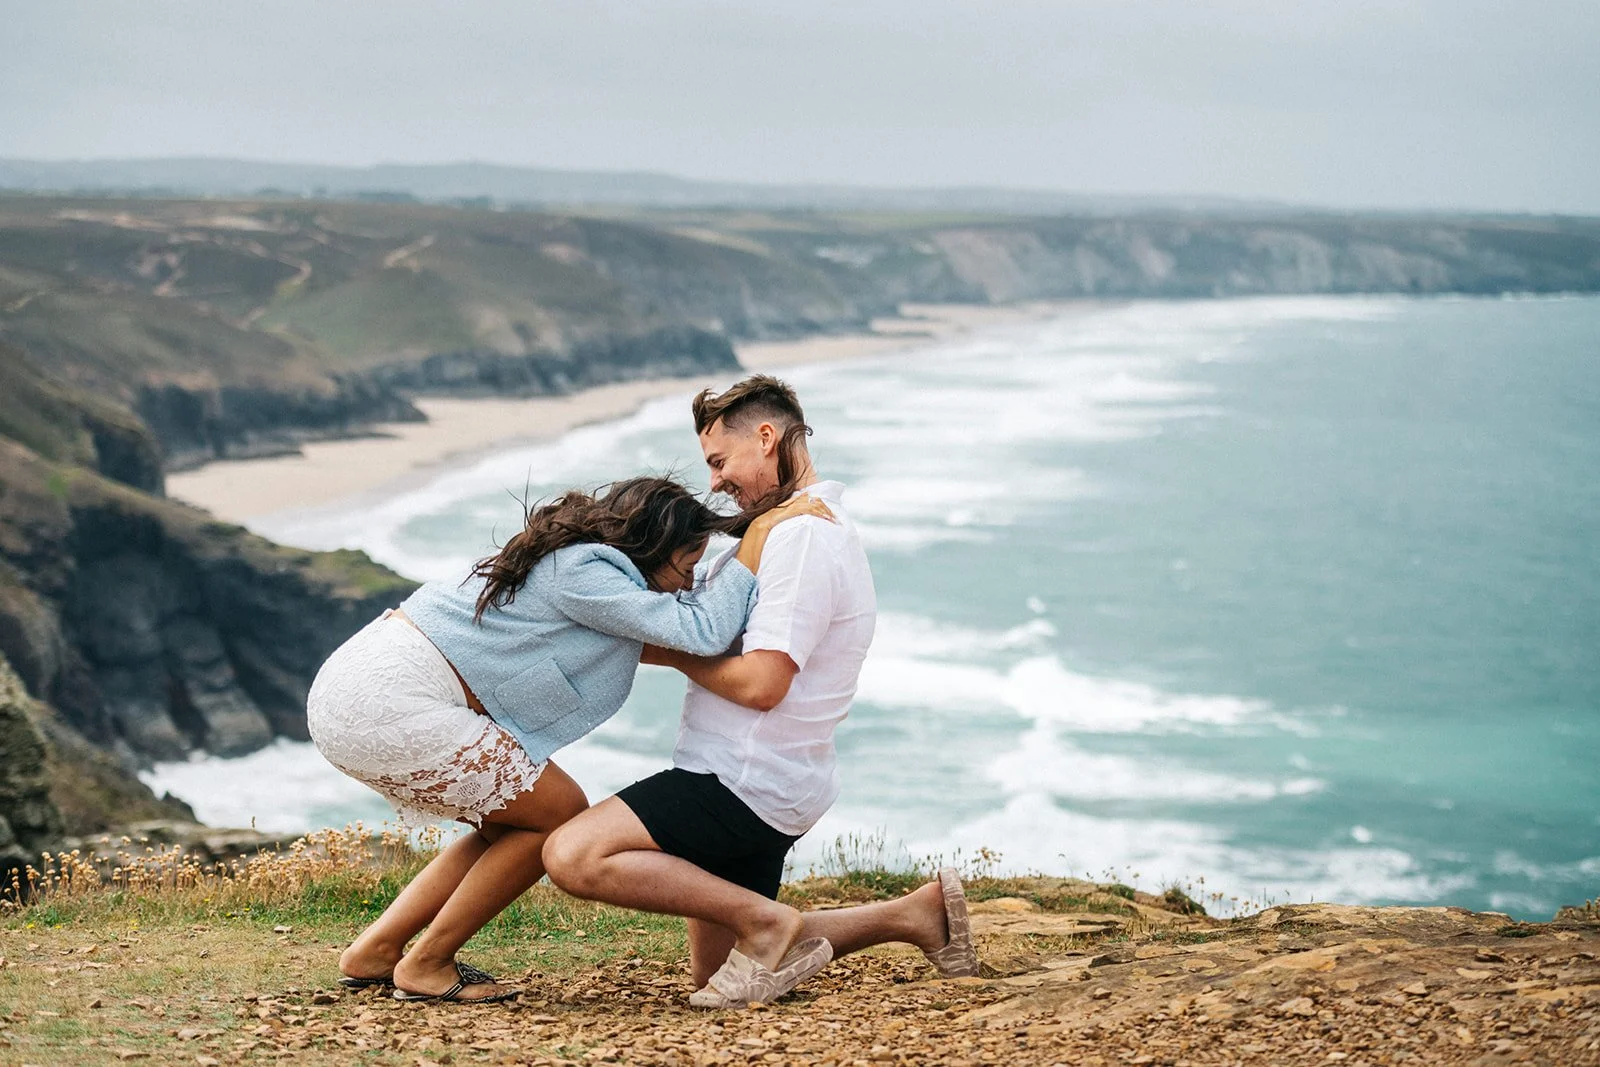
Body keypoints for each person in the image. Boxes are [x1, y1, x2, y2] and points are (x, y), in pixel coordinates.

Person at [543, 376, 979, 1009]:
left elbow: (763, 683)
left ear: (768, 438)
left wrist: (662, 651)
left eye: (719, 462)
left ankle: (769, 922)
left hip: (741, 782)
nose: (715, 482)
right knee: (715, 978)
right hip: (763, 774)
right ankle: (914, 916)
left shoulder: (803, 538)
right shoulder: (782, 527)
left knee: (574, 853)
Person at [306, 475, 828, 1003]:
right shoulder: (586, 570)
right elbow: (703, 632)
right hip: (389, 700)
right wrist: (761, 535)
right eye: (687, 567)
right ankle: (427, 963)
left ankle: (377, 950)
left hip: (361, 688)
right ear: (652, 547)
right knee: (558, 815)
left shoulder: (576, 562)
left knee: (509, 825)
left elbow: (657, 638)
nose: (688, 586)